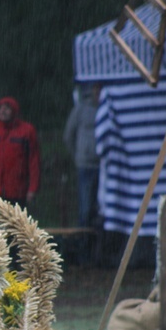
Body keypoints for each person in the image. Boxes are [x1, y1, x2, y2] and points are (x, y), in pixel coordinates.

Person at [0, 96, 40, 207]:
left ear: (14, 111)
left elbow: (34, 162)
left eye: (7, 108)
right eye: (0, 108)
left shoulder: (27, 131)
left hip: (17, 192)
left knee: (15, 222)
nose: (3, 111)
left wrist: (32, 189)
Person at [63, 83, 101, 266]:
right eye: (95, 88)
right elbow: (68, 135)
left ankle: (98, 253)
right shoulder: (81, 109)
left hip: (105, 167)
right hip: (85, 166)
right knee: (85, 210)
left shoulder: (106, 108)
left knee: (102, 211)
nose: (97, 92)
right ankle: (84, 253)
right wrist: (78, 155)